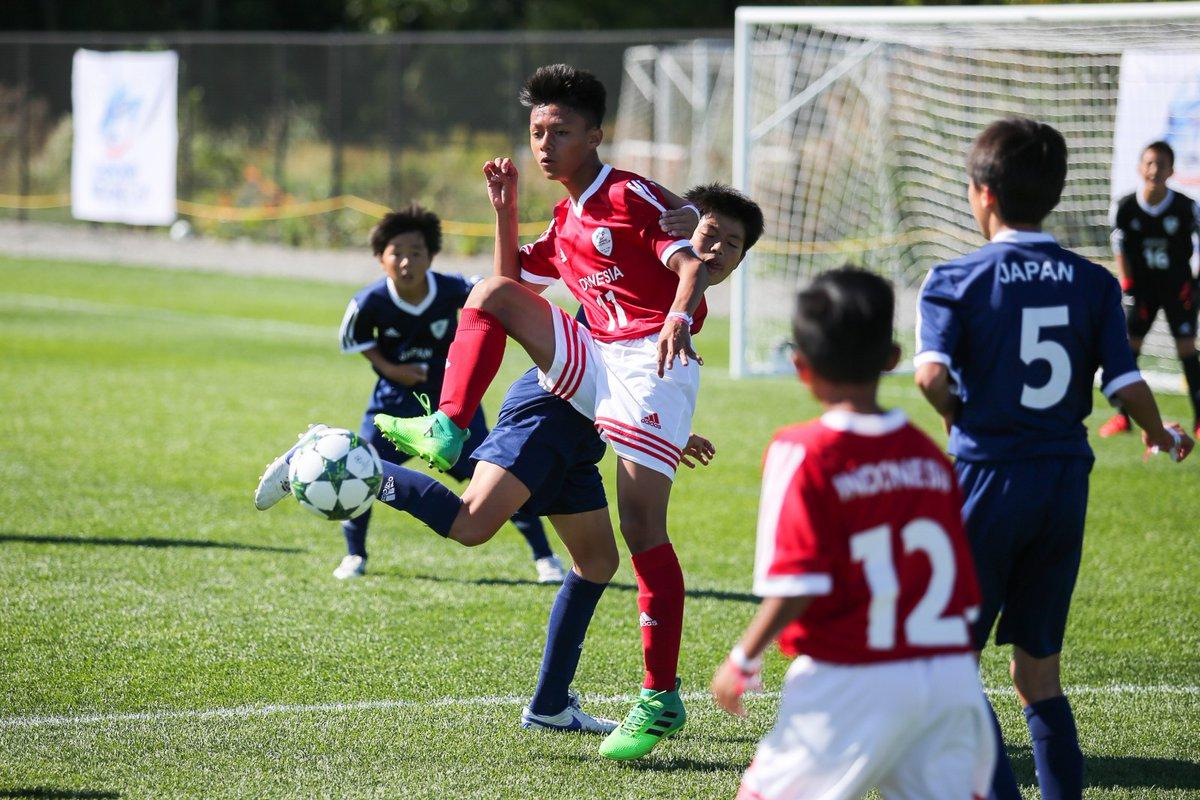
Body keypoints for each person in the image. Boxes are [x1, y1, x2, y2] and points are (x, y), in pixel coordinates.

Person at [375, 64, 764, 760]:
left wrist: (677, 316)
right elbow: (512, 279)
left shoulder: (630, 194)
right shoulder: (567, 214)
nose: (545, 143)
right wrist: (504, 209)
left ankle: (659, 697)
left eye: (559, 131)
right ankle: (449, 424)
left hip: (649, 362)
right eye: (537, 131)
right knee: (491, 291)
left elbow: (689, 265)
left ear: (595, 135)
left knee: (641, 529)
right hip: (597, 354)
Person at [915, 118, 1193, 800]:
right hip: (1064, 479)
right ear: (1057, 193)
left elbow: (929, 377)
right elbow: (1124, 385)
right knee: (1038, 673)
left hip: (987, 475)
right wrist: (1159, 434)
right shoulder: (1093, 282)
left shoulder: (955, 278)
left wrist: (961, 417)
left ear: (982, 193)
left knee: (951, 662)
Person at [711, 266, 994, 800]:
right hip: (949, 676)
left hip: (854, 675)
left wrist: (744, 657)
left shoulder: (804, 451)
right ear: (892, 358)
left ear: (800, 366)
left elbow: (798, 582)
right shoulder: (929, 455)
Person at [253, 204, 563, 583]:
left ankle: (544, 557)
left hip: (453, 410)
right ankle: (355, 555)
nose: (406, 262)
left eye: (416, 253)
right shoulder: (369, 302)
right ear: (380, 259)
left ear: (431, 256)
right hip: (391, 404)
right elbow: (356, 339)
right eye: (396, 253)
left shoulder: (453, 289)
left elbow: (496, 293)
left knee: (496, 479)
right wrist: (391, 369)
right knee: (355, 469)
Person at [1101, 140, 1200, 438]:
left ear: (1171, 170)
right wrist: (1126, 281)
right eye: (1149, 163)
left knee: (1186, 347)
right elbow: (1118, 243)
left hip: (1176, 289)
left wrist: (1195, 282)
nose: (1154, 169)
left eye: (1161, 164)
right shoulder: (1125, 206)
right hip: (1141, 290)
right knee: (1129, 348)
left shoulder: (1186, 207)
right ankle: (1123, 417)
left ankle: (1198, 420)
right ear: (1139, 168)